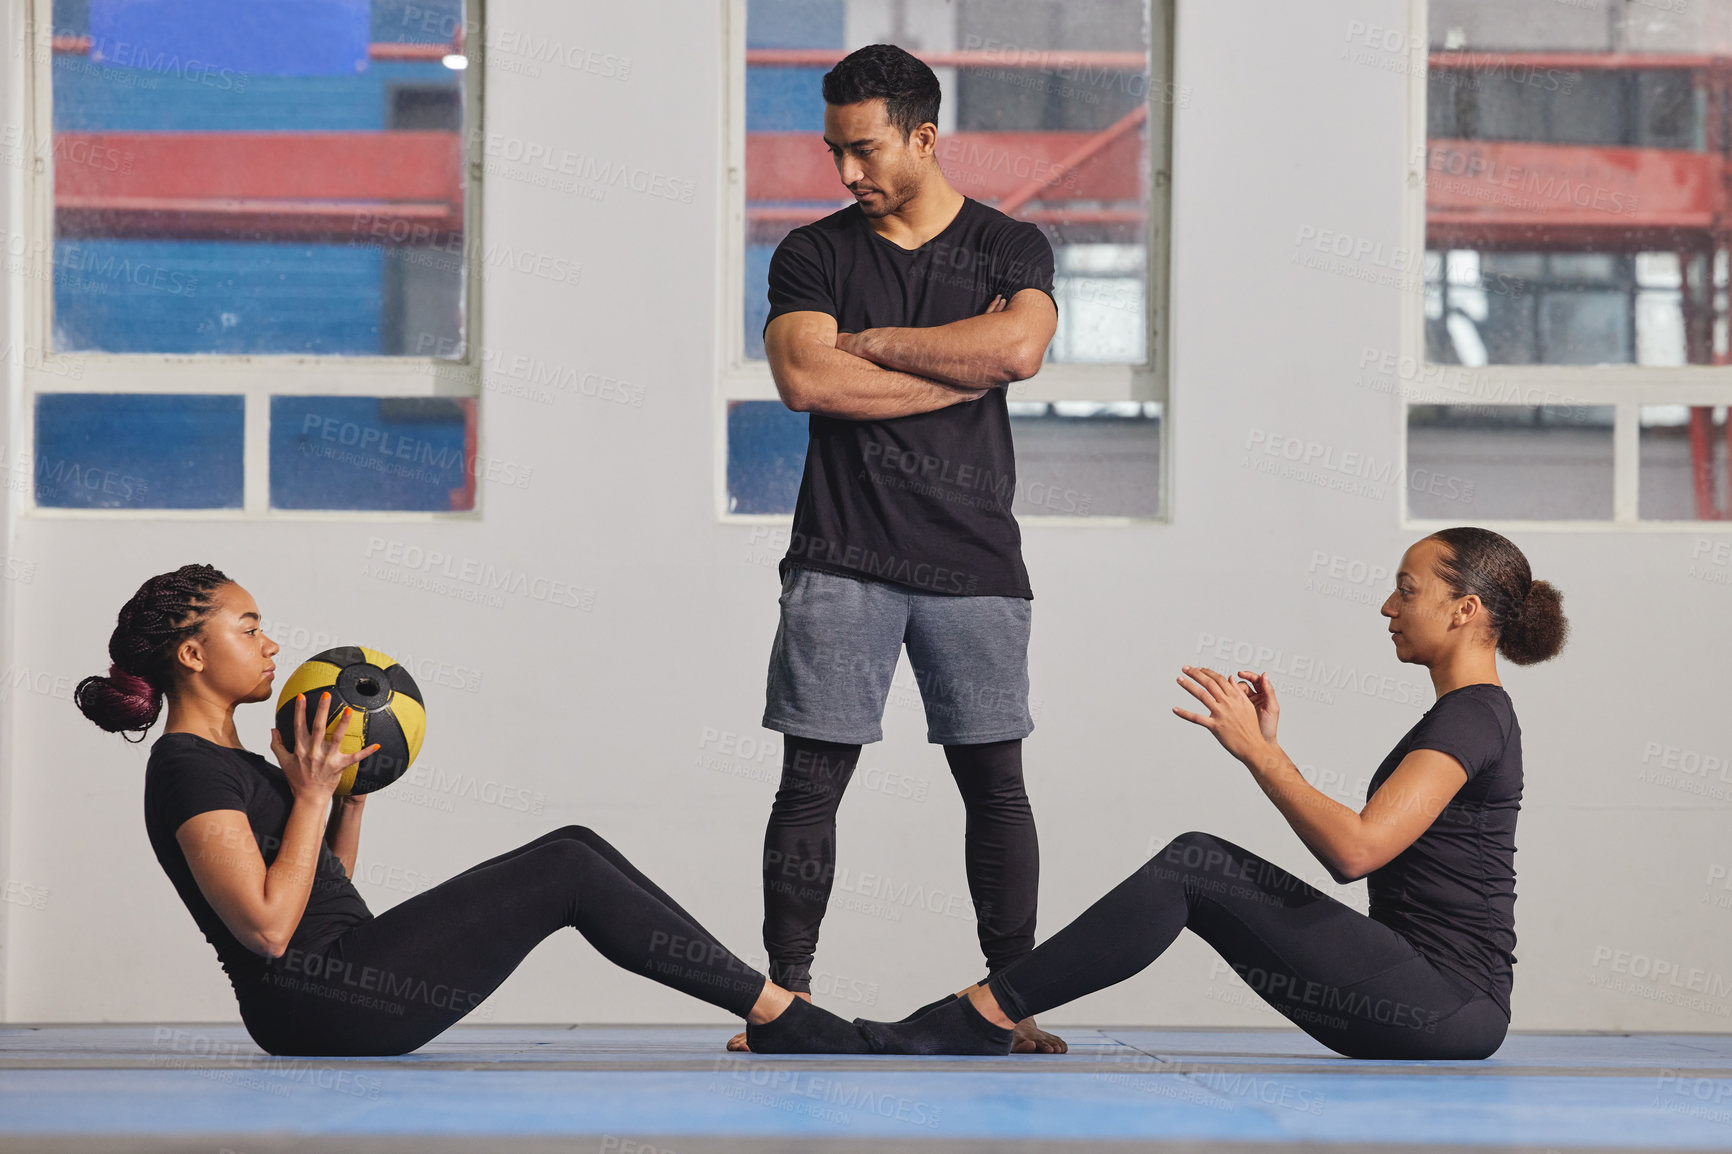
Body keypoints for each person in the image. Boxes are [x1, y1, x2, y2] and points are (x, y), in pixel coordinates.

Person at [76, 565, 870, 1057]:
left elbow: (322, 886)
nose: (272, 646)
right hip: (311, 1006)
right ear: (192, 654)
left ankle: (774, 1009)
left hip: (337, 976)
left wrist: (347, 798)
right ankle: (782, 1013)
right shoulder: (186, 771)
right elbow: (268, 928)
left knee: (573, 846)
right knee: (567, 866)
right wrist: (312, 793)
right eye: (248, 629)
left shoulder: (239, 763)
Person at [854, 529, 1565, 1060]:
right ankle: (992, 1012)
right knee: (1197, 868)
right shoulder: (1467, 715)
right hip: (1426, 995)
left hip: (1446, 1004)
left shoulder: (1472, 716)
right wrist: (1270, 751)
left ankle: (982, 1014)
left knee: (1197, 864)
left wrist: (1258, 754)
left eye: (1407, 590)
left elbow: (1357, 850)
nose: (1388, 605)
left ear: (1465, 608)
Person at [747, 42, 1064, 1053]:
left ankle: (1008, 1003)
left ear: (925, 138)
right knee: (811, 781)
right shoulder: (812, 253)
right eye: (835, 152)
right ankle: (783, 1002)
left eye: (867, 150)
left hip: (973, 557)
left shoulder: (1012, 245)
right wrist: (953, 362)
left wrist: (871, 341)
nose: (846, 174)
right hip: (839, 552)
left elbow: (1016, 349)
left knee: (994, 784)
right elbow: (807, 381)